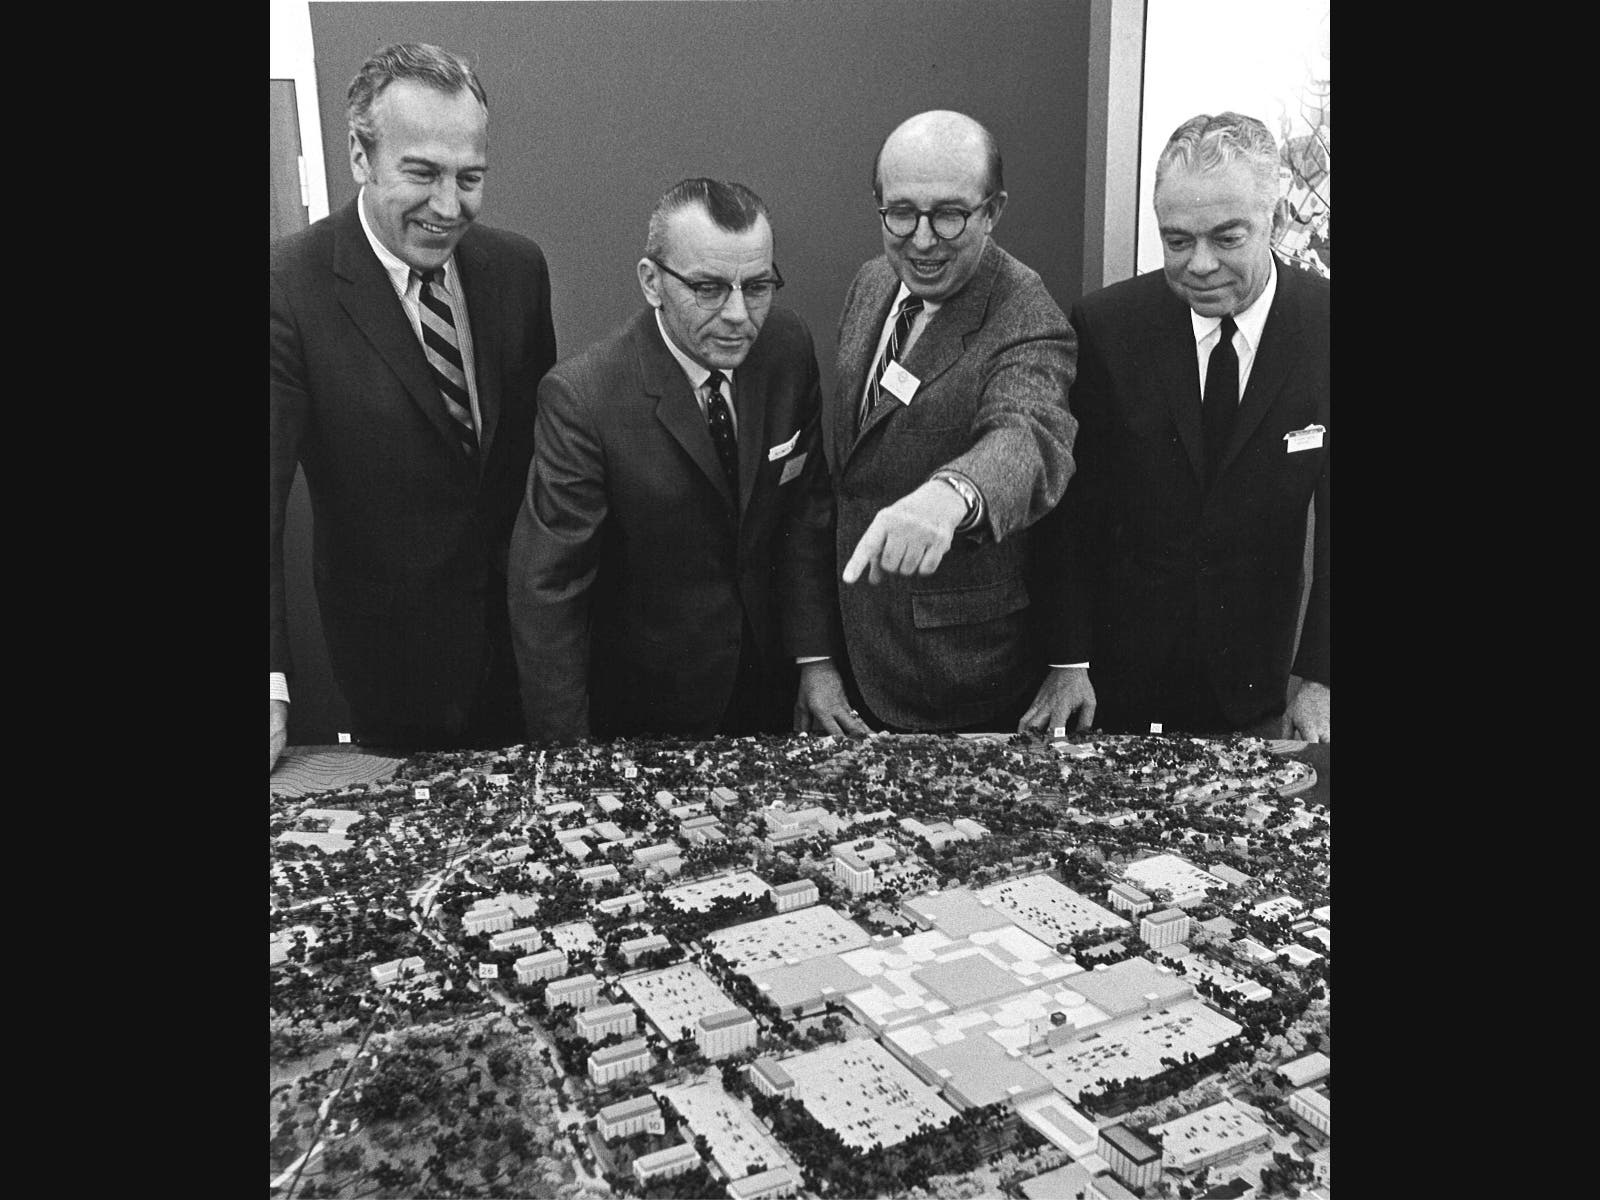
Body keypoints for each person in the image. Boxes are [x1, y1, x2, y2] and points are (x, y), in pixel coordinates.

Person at [270, 43, 557, 769]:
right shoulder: (289, 288)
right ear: (361, 157)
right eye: (422, 173)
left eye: (470, 177)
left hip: (525, 659)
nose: (448, 206)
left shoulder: (518, 271)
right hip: (388, 675)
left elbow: (538, 471)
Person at [1027, 112, 1330, 742]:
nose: (1199, 265)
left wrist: (1321, 678)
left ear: (1274, 223)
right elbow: (1071, 511)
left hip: (1256, 678)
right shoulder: (1109, 327)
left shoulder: (1326, 327)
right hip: (1117, 678)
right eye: (1176, 240)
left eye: (1226, 238)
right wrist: (1067, 659)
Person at [507, 179, 836, 742]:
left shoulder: (786, 348)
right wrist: (567, 759)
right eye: (708, 288)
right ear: (652, 282)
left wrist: (816, 661)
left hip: (770, 697)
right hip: (646, 714)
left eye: (757, 286)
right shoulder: (585, 397)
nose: (739, 315)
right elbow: (549, 591)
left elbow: (805, 512)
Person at [792, 110, 1078, 735]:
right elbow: (843, 483)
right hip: (853, 665)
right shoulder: (872, 283)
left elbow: (1026, 434)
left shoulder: (1027, 314)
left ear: (993, 210)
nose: (922, 240)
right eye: (901, 213)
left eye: (949, 214)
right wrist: (817, 657)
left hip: (958, 682)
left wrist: (951, 497)